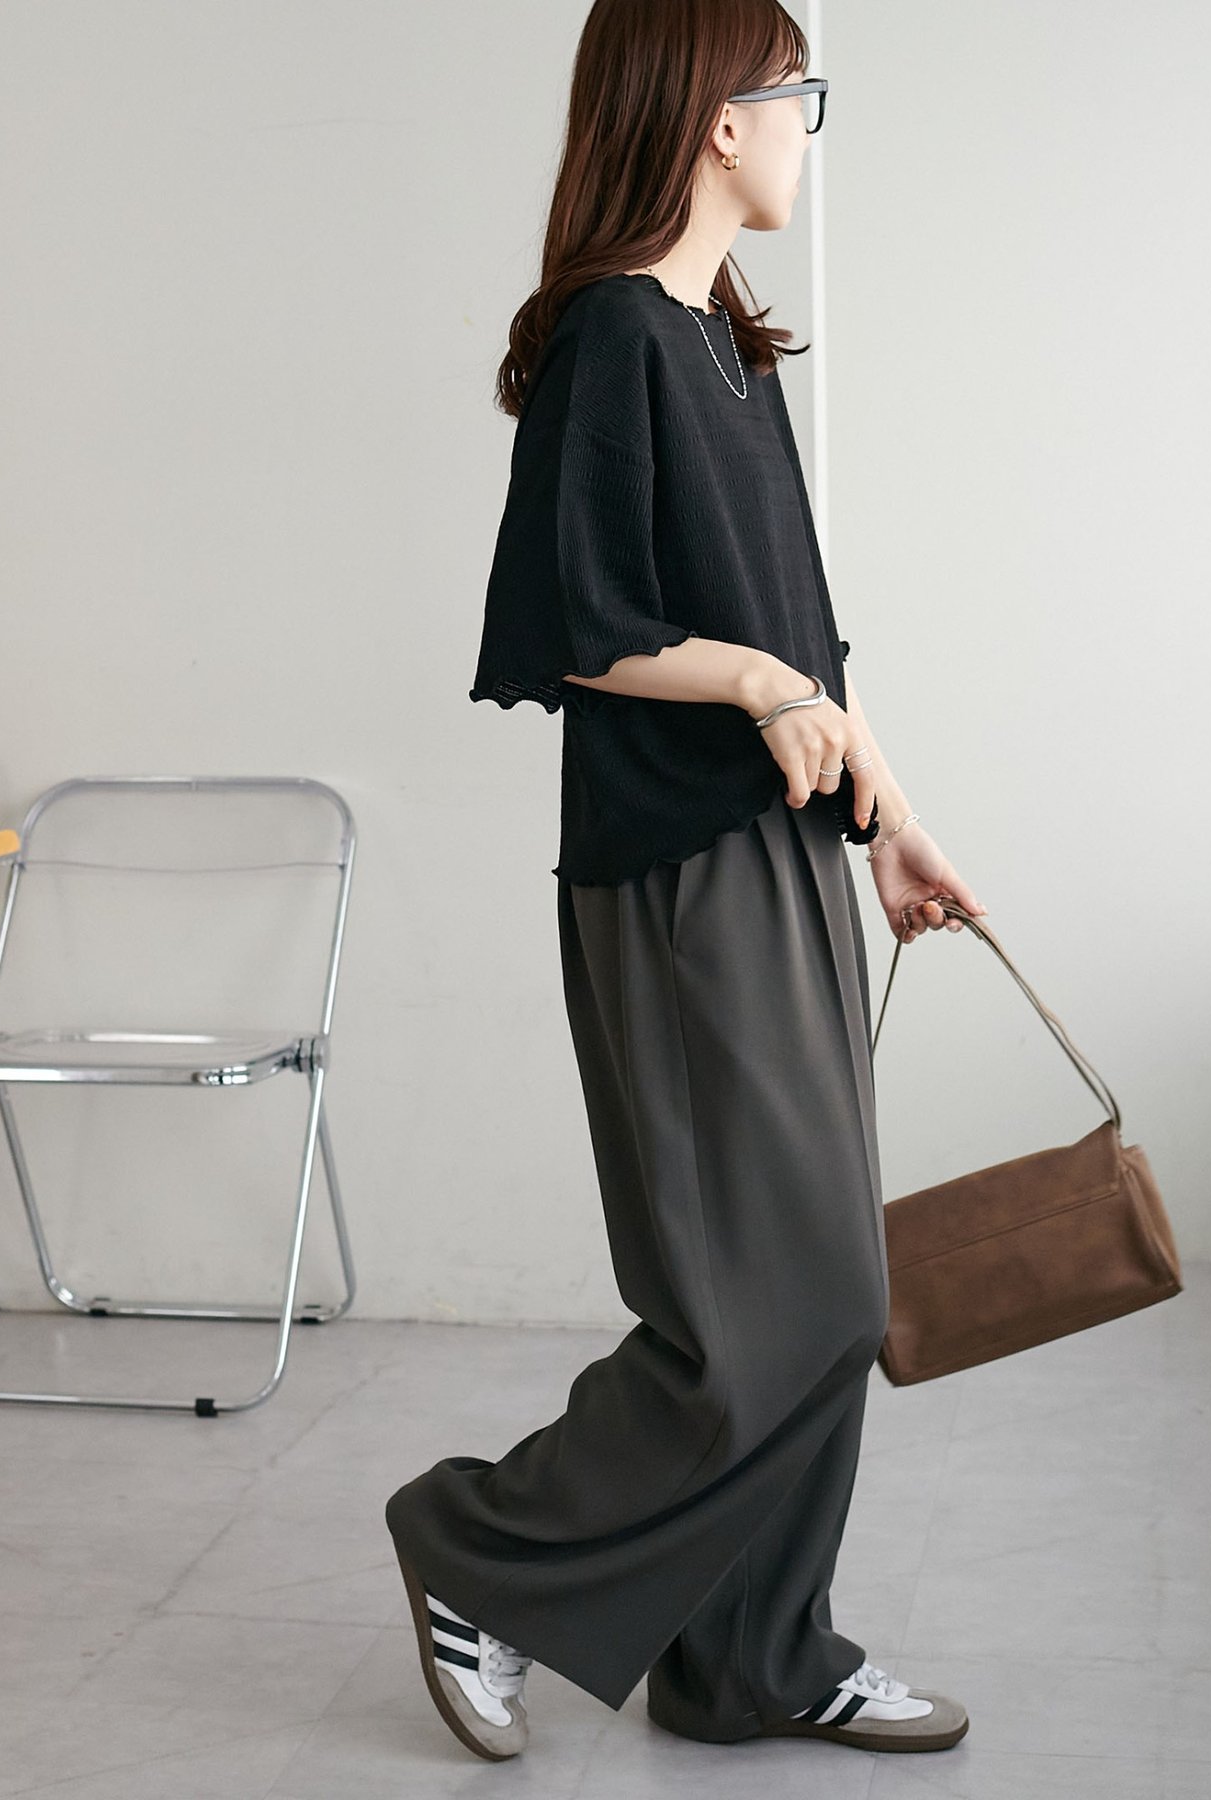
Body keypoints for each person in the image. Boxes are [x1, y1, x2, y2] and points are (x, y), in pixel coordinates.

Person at [385, 0, 985, 1762]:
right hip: (678, 871)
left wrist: (892, 812)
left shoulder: (729, 343)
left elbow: (804, 630)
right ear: (723, 116)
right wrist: (756, 684)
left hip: (791, 855)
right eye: (799, 94)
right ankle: (479, 1552)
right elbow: (570, 625)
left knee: (833, 1293)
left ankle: (752, 1656)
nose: (809, 126)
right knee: (757, 1310)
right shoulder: (613, 340)